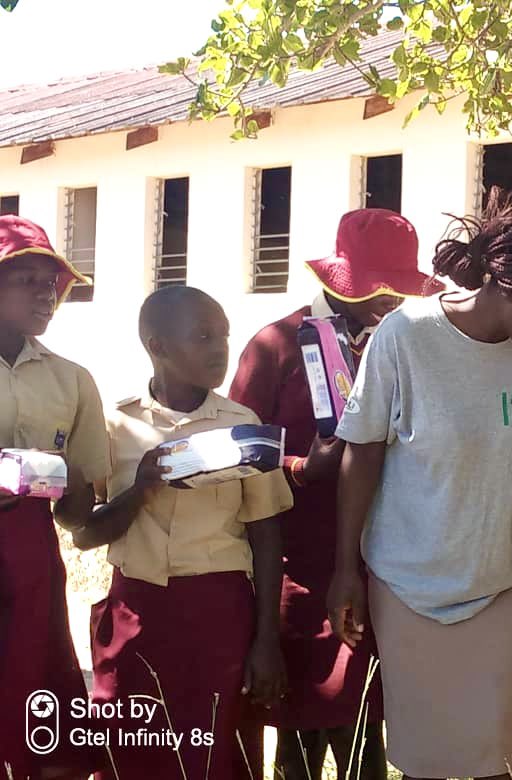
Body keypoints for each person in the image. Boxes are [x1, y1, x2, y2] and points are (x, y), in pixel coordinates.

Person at [326, 192, 512, 780]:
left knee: (492, 757)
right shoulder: (405, 335)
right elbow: (364, 450)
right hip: (407, 584)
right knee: (424, 761)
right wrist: (346, 567)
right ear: (509, 288)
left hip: (503, 578)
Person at [230, 208, 442, 780]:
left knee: (364, 724)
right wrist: (302, 467)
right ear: (334, 280)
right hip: (296, 562)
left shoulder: (407, 345)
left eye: (397, 289)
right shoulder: (275, 346)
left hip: (384, 562)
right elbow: (237, 455)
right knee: (301, 730)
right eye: (374, 287)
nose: (385, 300)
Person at [76, 286, 294, 780]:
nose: (220, 349)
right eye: (202, 336)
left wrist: (266, 640)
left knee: (214, 752)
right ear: (157, 346)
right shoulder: (114, 425)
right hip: (135, 610)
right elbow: (86, 535)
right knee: (132, 747)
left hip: (218, 613)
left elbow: (265, 535)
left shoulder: (244, 426)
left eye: (223, 335)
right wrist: (141, 488)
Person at [0, 215, 108, 779]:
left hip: (31, 559)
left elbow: (79, 511)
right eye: (29, 280)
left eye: (54, 283)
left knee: (34, 694)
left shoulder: (72, 380)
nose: (48, 295)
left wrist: (67, 479)